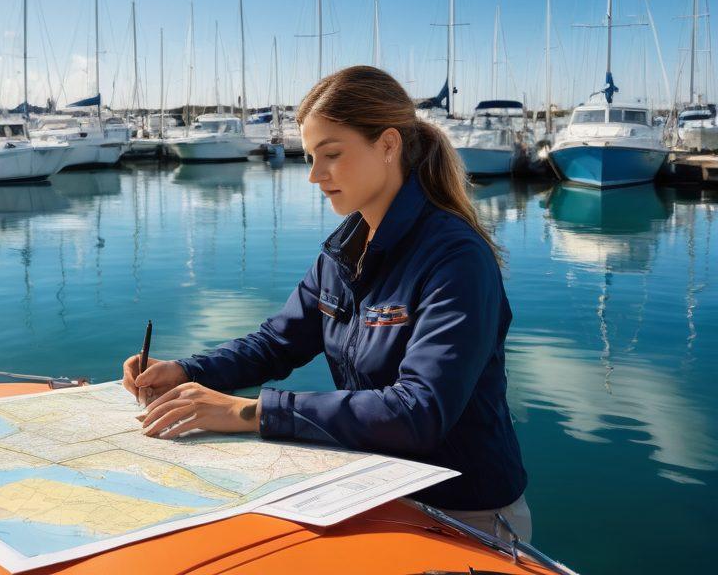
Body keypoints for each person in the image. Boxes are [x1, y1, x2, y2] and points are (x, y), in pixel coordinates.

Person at [123, 65, 530, 541]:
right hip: (376, 497)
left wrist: (248, 413)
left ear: (388, 145)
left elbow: (419, 410)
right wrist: (188, 371)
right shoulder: (343, 254)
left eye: (331, 155)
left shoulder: (456, 258)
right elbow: (277, 343)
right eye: (311, 157)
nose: (315, 175)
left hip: (467, 518)